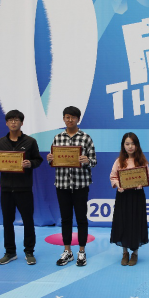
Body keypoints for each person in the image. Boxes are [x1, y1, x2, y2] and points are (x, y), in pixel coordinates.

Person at [47, 106, 97, 267]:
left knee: (81, 219)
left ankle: (81, 251)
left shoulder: (86, 138)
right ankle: (67, 251)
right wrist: (50, 159)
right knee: (66, 219)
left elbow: (94, 161)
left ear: (78, 119)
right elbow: (53, 161)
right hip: (62, 184)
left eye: (73, 117)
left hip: (81, 185)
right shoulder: (58, 138)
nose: (70, 120)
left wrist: (87, 160)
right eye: (67, 117)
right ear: (63, 119)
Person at [0, 110, 43, 265]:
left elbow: (38, 160)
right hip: (6, 189)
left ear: (22, 122)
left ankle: (29, 251)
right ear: (6, 123)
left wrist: (30, 163)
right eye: (10, 120)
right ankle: (10, 252)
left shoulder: (30, 141)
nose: (13, 123)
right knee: (7, 222)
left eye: (16, 120)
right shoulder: (1, 141)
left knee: (28, 221)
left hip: (24, 188)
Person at [109, 132, 149, 266]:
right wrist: (118, 185)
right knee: (123, 223)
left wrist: (141, 183)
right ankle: (125, 253)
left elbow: (147, 175)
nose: (130, 147)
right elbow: (113, 177)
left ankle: (135, 253)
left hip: (137, 196)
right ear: (123, 146)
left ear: (137, 145)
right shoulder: (119, 161)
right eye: (127, 144)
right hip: (123, 196)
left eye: (133, 144)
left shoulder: (142, 161)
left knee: (136, 223)